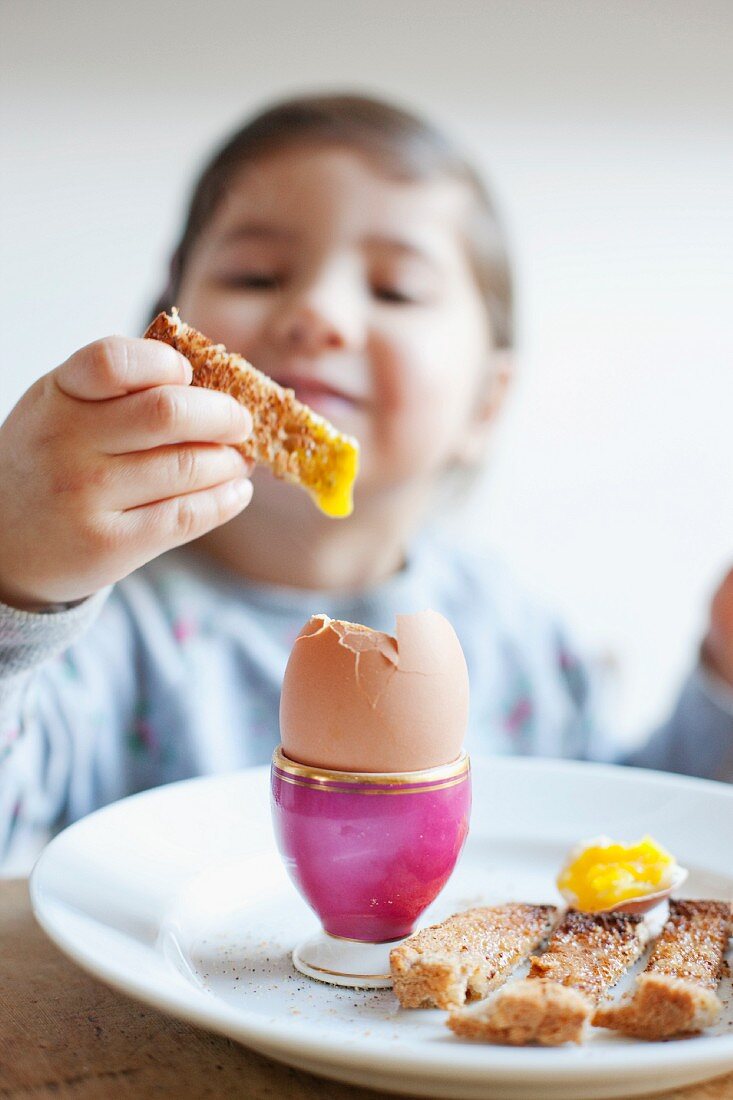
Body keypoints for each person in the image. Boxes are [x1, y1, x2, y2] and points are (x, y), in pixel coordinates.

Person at [0, 93, 731, 871]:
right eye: (257, 275)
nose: (317, 311)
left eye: (395, 291)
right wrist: (21, 586)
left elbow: (619, 846)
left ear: (485, 402)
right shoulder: (101, 635)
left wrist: (722, 683)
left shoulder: (512, 633)